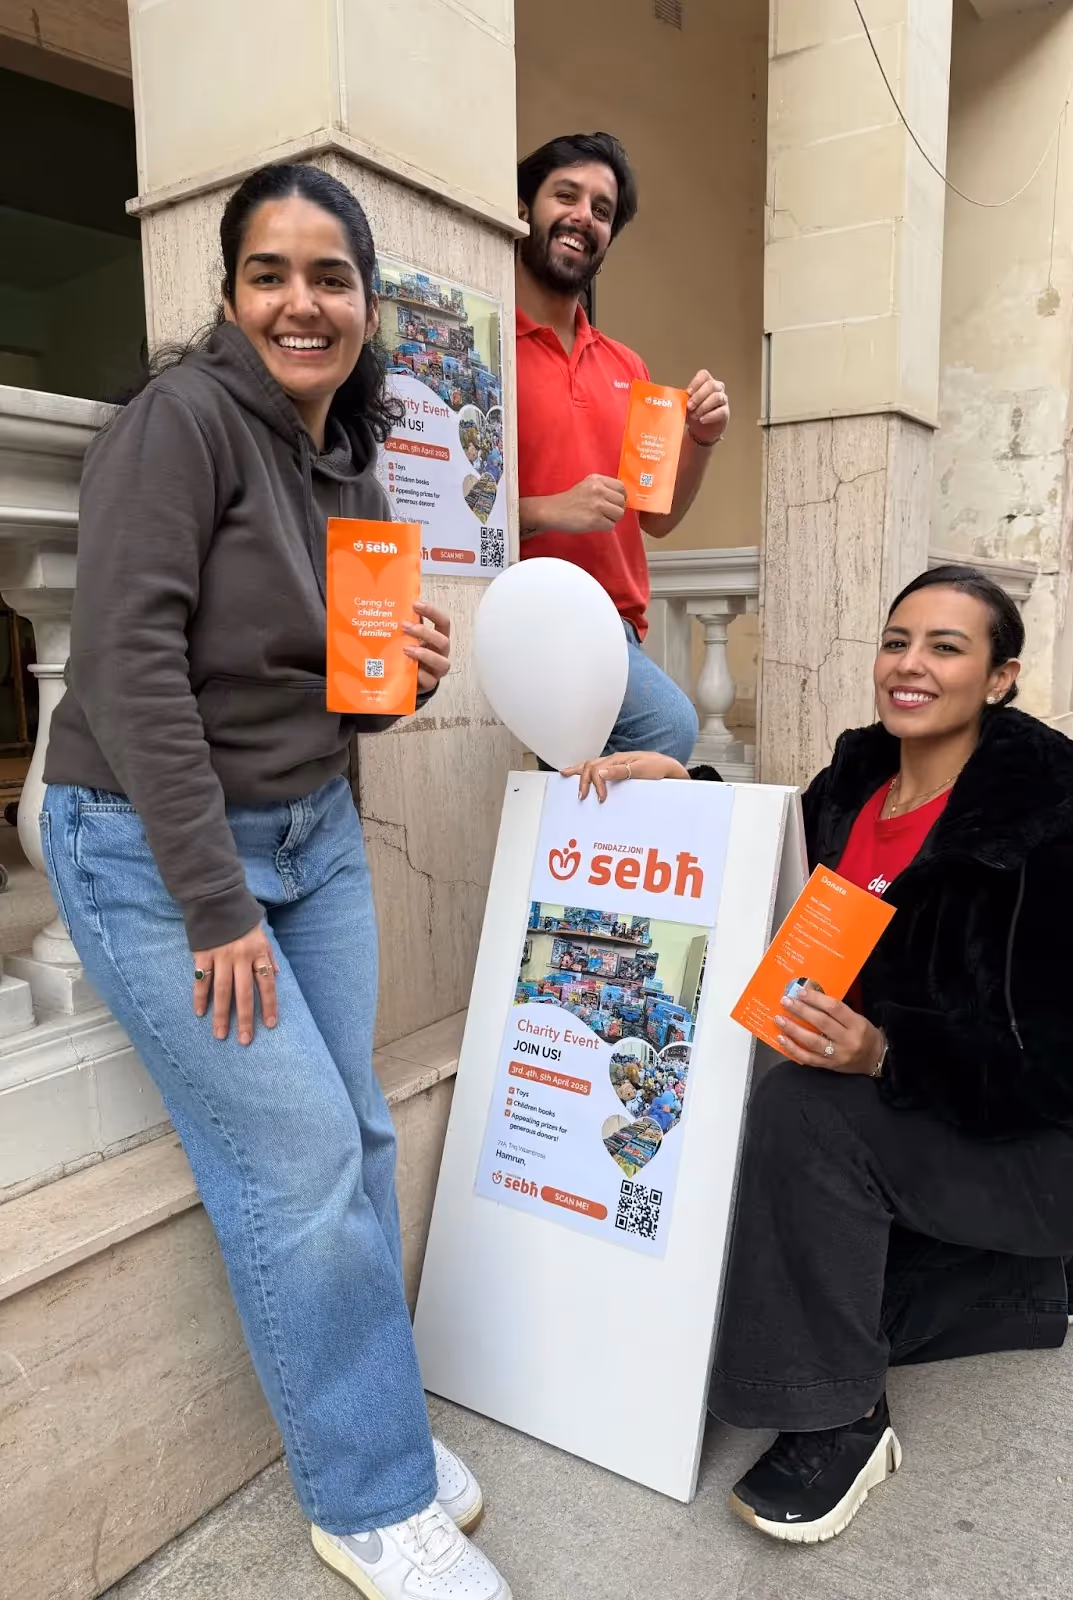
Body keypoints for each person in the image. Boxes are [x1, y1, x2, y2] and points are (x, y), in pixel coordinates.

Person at [41, 163, 511, 1600]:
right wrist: (215, 901)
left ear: (366, 304)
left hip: (308, 838)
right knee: (298, 1163)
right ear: (232, 294)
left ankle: (372, 1427)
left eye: (331, 276)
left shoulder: (348, 461)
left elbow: (330, 697)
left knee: (358, 1139)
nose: (302, 302)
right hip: (155, 849)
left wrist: (398, 683)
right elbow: (128, 677)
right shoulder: (175, 427)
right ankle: (366, 1500)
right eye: (270, 274)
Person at [567, 563, 1073, 1545]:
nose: (910, 664)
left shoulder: (1030, 830)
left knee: (805, 1114)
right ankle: (1037, 1278)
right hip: (940, 1131)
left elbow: (1069, 1055)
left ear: (999, 678)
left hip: (1063, 1140)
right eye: (896, 640)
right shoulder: (855, 781)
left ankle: (838, 1416)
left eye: (945, 646)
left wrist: (889, 1051)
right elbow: (780, 853)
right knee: (758, 1295)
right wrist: (690, 791)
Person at [514, 130, 730, 765]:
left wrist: (701, 440)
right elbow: (450, 512)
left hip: (614, 633)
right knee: (667, 728)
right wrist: (549, 510)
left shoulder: (627, 364)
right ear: (525, 207)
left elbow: (656, 517)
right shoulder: (486, 345)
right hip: (532, 617)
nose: (584, 217)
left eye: (602, 211)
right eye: (567, 195)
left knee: (589, 790)